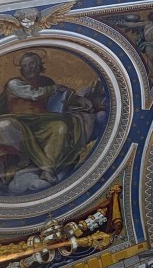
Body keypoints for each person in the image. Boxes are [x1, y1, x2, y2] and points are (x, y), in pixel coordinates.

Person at [0, 51, 103, 194]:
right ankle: (44, 166)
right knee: (7, 126)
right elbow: (34, 94)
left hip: (43, 120)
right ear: (21, 68)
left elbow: (59, 99)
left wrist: (78, 100)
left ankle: (47, 171)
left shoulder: (47, 82)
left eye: (33, 64)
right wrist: (55, 88)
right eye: (25, 65)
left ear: (40, 65)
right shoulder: (14, 83)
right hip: (19, 118)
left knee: (60, 126)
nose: (29, 68)